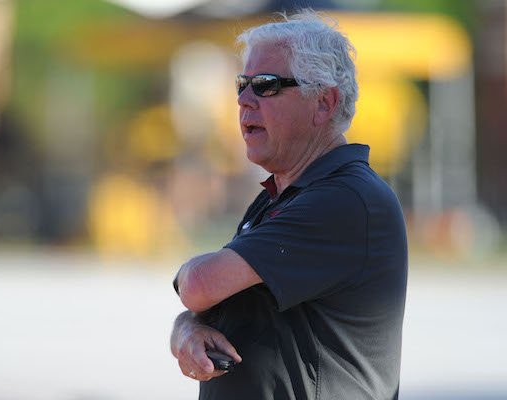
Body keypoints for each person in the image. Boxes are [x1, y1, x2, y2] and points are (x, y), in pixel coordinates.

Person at [170, 9, 408, 400]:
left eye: (265, 85)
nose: (244, 100)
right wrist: (185, 329)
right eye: (240, 84)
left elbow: (199, 286)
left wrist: (187, 283)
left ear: (324, 103)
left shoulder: (345, 200)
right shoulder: (281, 195)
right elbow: (208, 305)